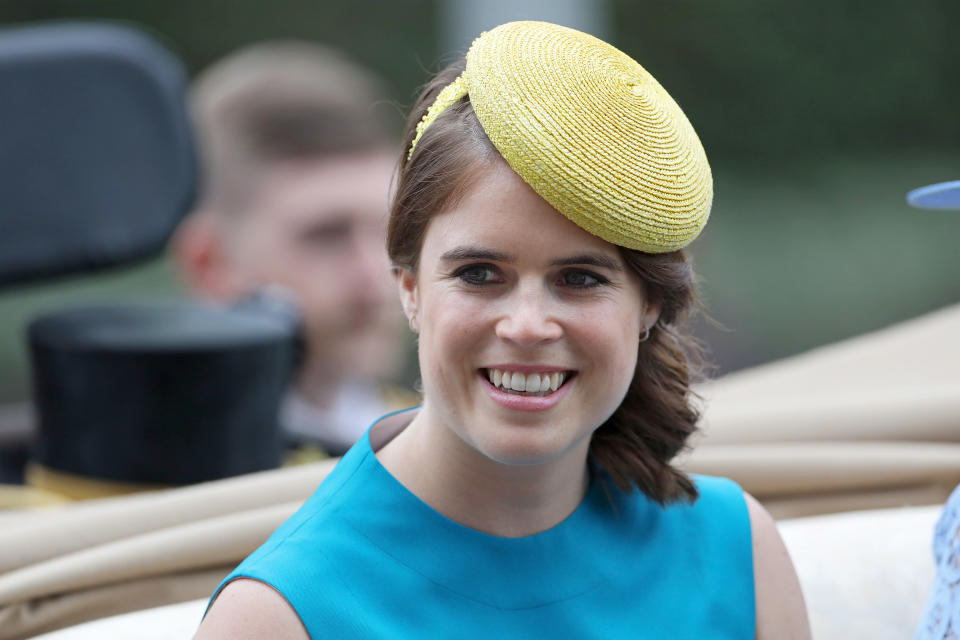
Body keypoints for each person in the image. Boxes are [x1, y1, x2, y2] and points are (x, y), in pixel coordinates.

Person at [195, 21, 810, 639]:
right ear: (408, 287)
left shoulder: (738, 551)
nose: (527, 325)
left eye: (580, 279)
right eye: (480, 273)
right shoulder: (281, 613)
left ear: (648, 305)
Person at [173, 41, 410, 456]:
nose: (376, 274)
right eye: (326, 236)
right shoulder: (142, 472)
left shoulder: (441, 441)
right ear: (208, 264)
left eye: (391, 230)